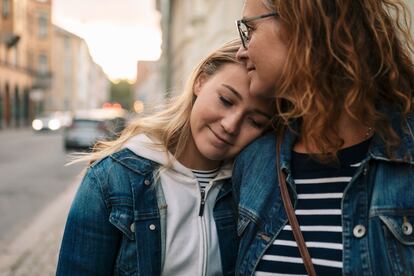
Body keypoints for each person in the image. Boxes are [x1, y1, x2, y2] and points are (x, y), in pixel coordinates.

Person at [56, 40, 275, 275]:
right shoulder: (111, 180)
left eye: (254, 121)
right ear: (200, 81)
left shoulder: (252, 190)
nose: (230, 125)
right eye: (225, 100)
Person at [233, 0, 414, 275]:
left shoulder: (406, 153)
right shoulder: (254, 163)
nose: (240, 51)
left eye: (249, 29)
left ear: (302, 25)